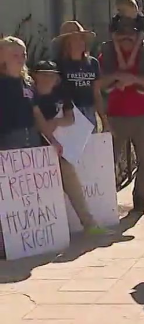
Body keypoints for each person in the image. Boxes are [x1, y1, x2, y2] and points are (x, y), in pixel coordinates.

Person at [98, 0, 144, 214]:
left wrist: (133, 79)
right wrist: (118, 75)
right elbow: (98, 83)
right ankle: (106, 201)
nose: (126, 37)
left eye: (131, 33)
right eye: (122, 33)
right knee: (109, 161)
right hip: (115, 117)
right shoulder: (106, 54)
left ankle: (139, 199)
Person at [29, 61, 101, 234]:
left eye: (52, 75)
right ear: (35, 76)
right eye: (44, 74)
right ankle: (44, 233)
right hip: (33, 148)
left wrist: (55, 122)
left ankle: (90, 225)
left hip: (58, 149)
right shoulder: (29, 95)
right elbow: (40, 125)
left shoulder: (61, 94)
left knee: (72, 182)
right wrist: (50, 132)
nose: (49, 78)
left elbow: (70, 119)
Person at [0, 37, 45, 151]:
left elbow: (37, 114)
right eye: (15, 56)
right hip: (7, 142)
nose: (21, 59)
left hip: (32, 139)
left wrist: (52, 140)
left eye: (23, 55)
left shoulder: (28, 83)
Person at [53, 21, 101, 127]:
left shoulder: (93, 63)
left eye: (82, 38)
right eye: (75, 39)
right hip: (69, 114)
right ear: (66, 43)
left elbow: (96, 93)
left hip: (89, 111)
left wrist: (104, 120)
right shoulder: (58, 65)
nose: (80, 42)